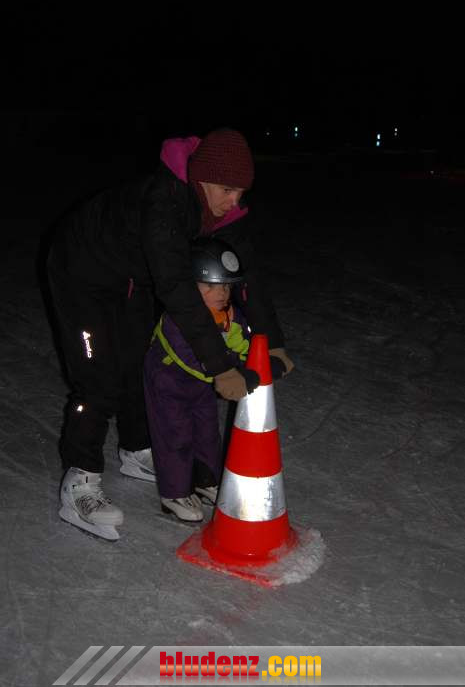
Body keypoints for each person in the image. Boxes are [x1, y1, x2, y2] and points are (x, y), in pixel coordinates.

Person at [47, 127, 294, 540]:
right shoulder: (164, 203)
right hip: (81, 272)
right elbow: (179, 290)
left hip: (131, 279)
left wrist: (274, 341)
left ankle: (135, 449)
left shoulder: (221, 212)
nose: (234, 201)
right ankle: (80, 480)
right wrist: (220, 366)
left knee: (139, 361)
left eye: (241, 192)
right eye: (227, 189)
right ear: (201, 180)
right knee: (97, 378)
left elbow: (246, 277)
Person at [144, 237, 265, 522]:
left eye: (225, 286)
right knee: (176, 434)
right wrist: (231, 372)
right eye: (209, 285)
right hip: (168, 384)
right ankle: (174, 493)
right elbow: (189, 358)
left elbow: (241, 342)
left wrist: (255, 362)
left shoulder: (229, 316)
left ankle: (205, 479)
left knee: (208, 432)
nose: (221, 293)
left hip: (202, 388)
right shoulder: (177, 319)